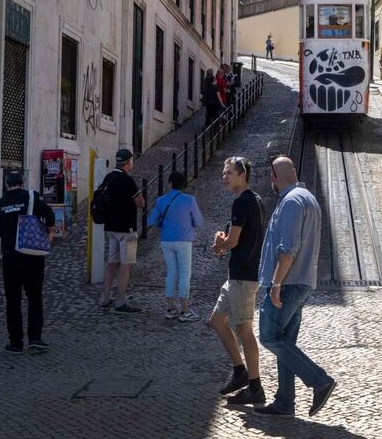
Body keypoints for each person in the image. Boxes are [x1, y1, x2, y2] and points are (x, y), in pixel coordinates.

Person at [254, 157, 336, 418]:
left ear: (274, 177)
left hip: (288, 283)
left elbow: (288, 248)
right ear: (295, 172)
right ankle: (284, 403)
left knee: (269, 336)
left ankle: (319, 380)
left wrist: (276, 283)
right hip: (303, 281)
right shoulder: (308, 198)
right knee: (285, 342)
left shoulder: (290, 202)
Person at [211, 157, 266, 405]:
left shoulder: (243, 202)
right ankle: (240, 371)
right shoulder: (253, 200)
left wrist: (221, 242)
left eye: (229, 173)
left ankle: (255, 387)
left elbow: (232, 242)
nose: (225, 177)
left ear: (243, 175)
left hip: (244, 275)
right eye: (224, 172)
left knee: (244, 329)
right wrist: (225, 240)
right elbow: (236, 237)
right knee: (217, 320)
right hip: (238, 274)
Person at [0, 171, 56, 355]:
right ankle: (35, 338)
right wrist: (50, 233)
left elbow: (0, 232)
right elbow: (49, 215)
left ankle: (15, 343)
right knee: (35, 297)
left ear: (6, 184)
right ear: (23, 182)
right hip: (32, 255)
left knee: (13, 300)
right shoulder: (32, 197)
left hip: (11, 257)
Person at [150, 172, 203, 323]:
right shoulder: (189, 200)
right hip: (184, 241)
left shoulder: (161, 200)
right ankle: (185, 310)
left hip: (166, 240)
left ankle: (171, 308)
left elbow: (152, 220)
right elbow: (198, 221)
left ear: (170, 184)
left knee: (171, 272)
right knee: (185, 273)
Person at [100, 149, 145, 314]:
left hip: (110, 228)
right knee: (126, 265)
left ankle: (104, 298)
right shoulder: (127, 180)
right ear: (128, 162)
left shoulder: (108, 178)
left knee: (111, 263)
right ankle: (120, 302)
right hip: (127, 229)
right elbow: (140, 203)